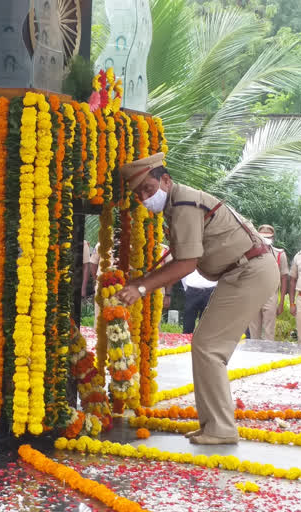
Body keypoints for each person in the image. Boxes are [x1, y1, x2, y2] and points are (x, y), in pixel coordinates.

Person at [115, 152, 278, 445]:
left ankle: (220, 428)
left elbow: (186, 264)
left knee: (208, 346)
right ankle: (213, 424)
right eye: (139, 194)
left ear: (166, 180)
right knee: (206, 345)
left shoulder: (184, 204)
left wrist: (140, 289)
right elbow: (181, 256)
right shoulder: (178, 203)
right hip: (240, 272)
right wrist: (141, 280)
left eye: (148, 190)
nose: (144, 198)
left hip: (250, 271)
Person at [248, 225, 288, 340]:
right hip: (254, 294)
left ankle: (267, 355)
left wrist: (281, 303)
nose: (266, 239)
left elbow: (284, 277)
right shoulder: (251, 253)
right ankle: (254, 355)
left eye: (268, 237)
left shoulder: (280, 254)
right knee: (254, 330)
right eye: (262, 236)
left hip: (271, 294)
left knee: (269, 330)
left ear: (273, 238)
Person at [181, 269, 217, 334]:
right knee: (188, 322)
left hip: (210, 291)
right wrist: (186, 288)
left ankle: (202, 343)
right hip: (192, 290)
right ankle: (187, 342)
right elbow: (184, 273)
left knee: (205, 324)